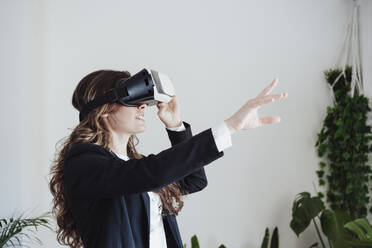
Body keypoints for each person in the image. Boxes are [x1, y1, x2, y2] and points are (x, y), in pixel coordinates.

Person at [49, 69, 288, 248]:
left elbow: (194, 181)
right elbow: (150, 174)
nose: (143, 106)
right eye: (131, 99)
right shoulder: (84, 162)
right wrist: (231, 126)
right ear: (103, 109)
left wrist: (175, 126)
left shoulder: (129, 165)